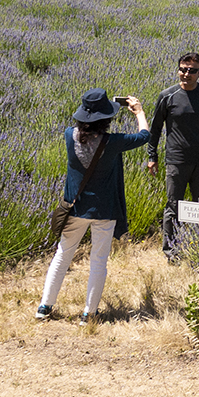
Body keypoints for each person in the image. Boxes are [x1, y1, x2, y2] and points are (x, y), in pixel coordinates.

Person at [37, 89, 149, 323]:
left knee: (62, 256)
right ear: (106, 118)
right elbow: (143, 136)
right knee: (98, 261)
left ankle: (45, 306)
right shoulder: (113, 142)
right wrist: (138, 112)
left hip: (75, 208)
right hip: (103, 210)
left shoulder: (69, 135)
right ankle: (88, 313)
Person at [147, 52, 199, 261]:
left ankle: (198, 248)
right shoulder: (167, 96)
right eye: (183, 69)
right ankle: (172, 251)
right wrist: (152, 156)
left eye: (192, 71)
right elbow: (155, 129)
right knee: (174, 206)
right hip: (176, 161)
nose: (186, 74)